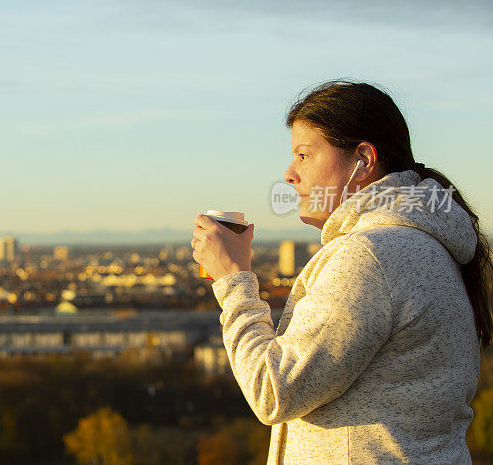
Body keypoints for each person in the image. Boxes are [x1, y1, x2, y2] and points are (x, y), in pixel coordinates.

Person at [191, 80, 492, 464]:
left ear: (363, 160)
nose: (289, 173)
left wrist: (233, 279)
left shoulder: (371, 255)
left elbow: (273, 390)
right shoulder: (422, 241)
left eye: (304, 155)